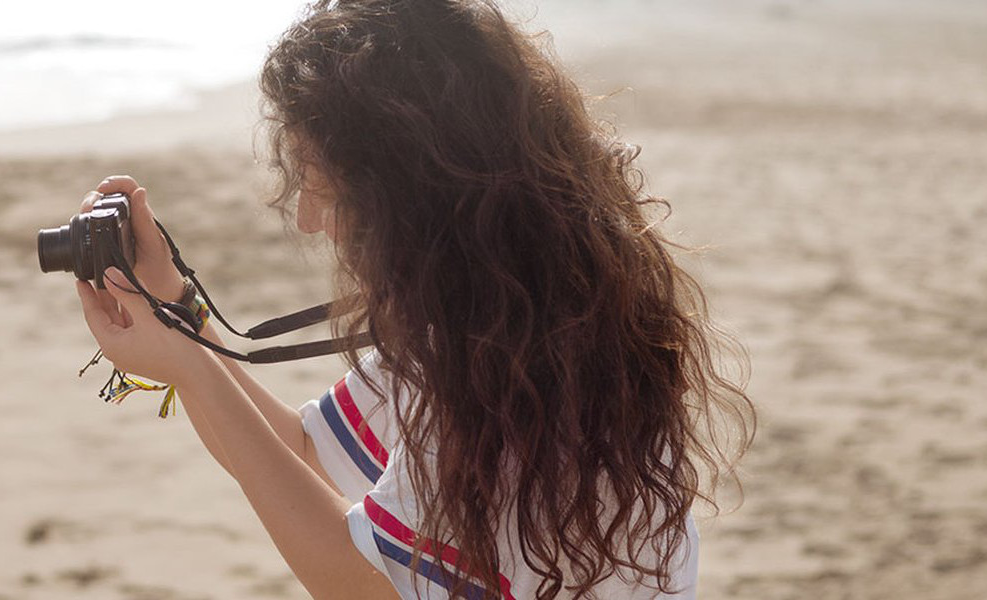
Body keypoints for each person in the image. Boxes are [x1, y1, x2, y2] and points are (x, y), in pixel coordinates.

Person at [73, 0, 755, 598]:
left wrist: (186, 367)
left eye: (321, 185)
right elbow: (307, 454)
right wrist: (178, 309)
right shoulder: (502, 312)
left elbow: (359, 584)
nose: (310, 219)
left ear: (403, 193)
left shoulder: (514, 364)